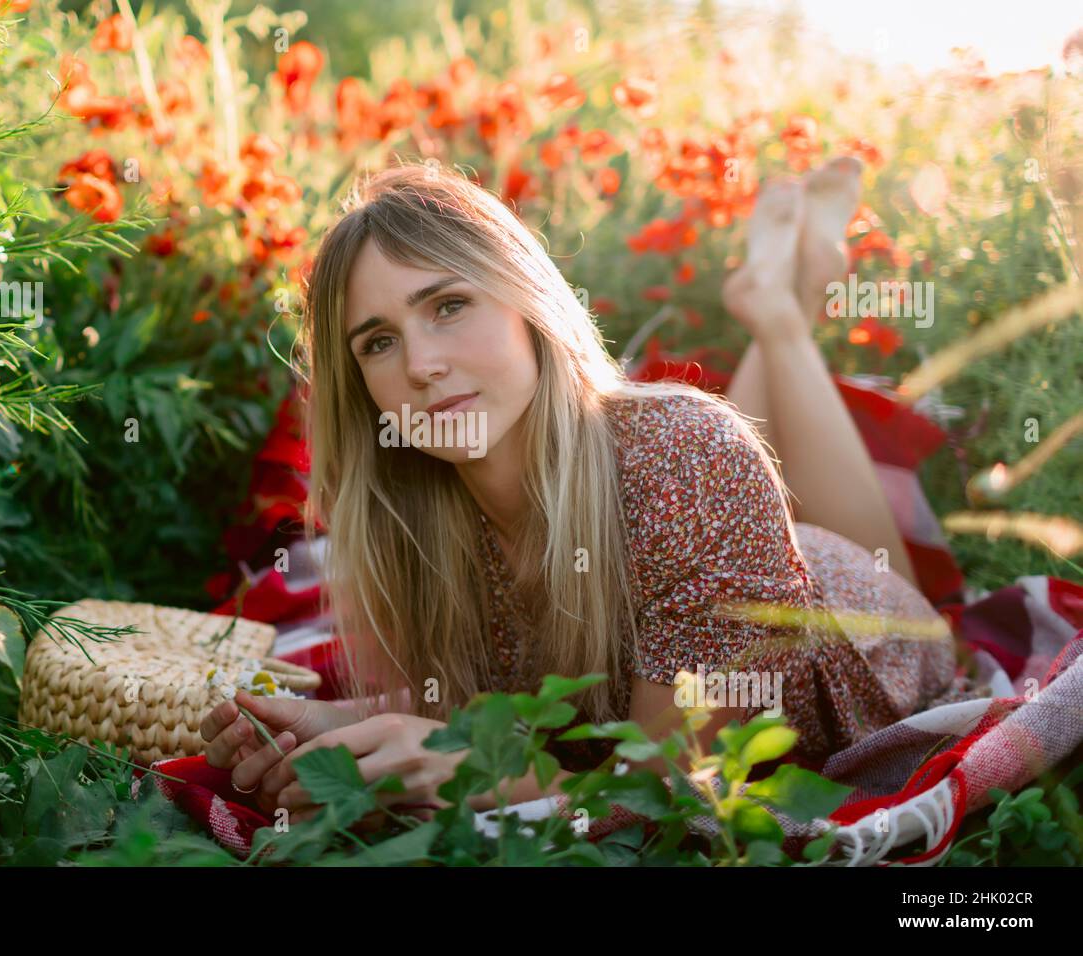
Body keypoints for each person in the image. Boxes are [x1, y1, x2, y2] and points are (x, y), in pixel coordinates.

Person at [199, 158, 966, 828]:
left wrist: (455, 765)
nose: (423, 364)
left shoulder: (690, 460)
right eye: (379, 341)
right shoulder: (411, 522)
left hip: (859, 631)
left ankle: (777, 308)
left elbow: (674, 791)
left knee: (734, 471)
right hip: (725, 535)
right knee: (723, 475)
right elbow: (496, 712)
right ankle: (777, 300)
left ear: (527, 303)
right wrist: (333, 728)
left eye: (449, 305)